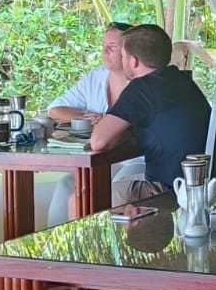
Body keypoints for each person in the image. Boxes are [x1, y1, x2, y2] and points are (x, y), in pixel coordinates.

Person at [89, 23, 211, 198]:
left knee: (86, 197)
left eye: (123, 56)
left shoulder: (141, 88)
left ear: (133, 61)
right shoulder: (182, 81)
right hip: (200, 183)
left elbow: (98, 142)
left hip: (170, 189)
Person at [45, 21, 145, 227]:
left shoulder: (143, 82)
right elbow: (54, 109)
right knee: (66, 185)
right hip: (101, 161)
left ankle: (98, 240)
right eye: (103, 46)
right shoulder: (95, 79)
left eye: (112, 47)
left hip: (135, 160)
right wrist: (88, 117)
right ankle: (53, 241)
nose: (104, 52)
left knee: (113, 188)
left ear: (129, 52)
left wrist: (110, 122)